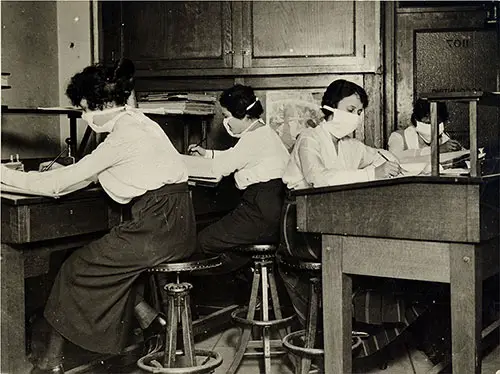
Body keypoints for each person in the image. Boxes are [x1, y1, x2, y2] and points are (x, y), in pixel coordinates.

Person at [1, 59, 196, 373]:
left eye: (83, 109)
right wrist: (76, 172)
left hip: (156, 227)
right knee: (109, 265)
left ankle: (51, 364)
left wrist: (5, 176)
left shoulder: (121, 136)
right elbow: (107, 170)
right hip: (175, 223)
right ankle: (151, 323)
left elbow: (55, 187)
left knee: (74, 268)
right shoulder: (139, 121)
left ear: (102, 105)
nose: (85, 116)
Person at [279, 79, 428, 359]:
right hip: (299, 222)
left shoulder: (350, 145)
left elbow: (378, 155)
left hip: (332, 221)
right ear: (330, 107)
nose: (356, 117)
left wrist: (391, 163)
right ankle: (343, 338)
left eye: (360, 112)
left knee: (384, 257)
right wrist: (373, 173)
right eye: (351, 109)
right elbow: (318, 179)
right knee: (367, 257)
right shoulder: (309, 139)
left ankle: (361, 339)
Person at [187, 84, 290, 273]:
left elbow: (219, 169)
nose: (226, 123)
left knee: (202, 242)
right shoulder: (263, 133)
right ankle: (248, 296)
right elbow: (235, 155)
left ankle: (188, 296)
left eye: (227, 116)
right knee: (230, 254)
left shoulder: (252, 139)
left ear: (242, 115)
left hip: (259, 211)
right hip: (271, 211)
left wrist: (184, 164)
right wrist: (207, 154)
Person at [388, 98, 462, 159]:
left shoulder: (444, 138)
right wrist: (437, 150)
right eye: (427, 123)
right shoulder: (398, 137)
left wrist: (459, 153)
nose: (432, 127)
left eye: (437, 123)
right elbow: (395, 159)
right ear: (416, 121)